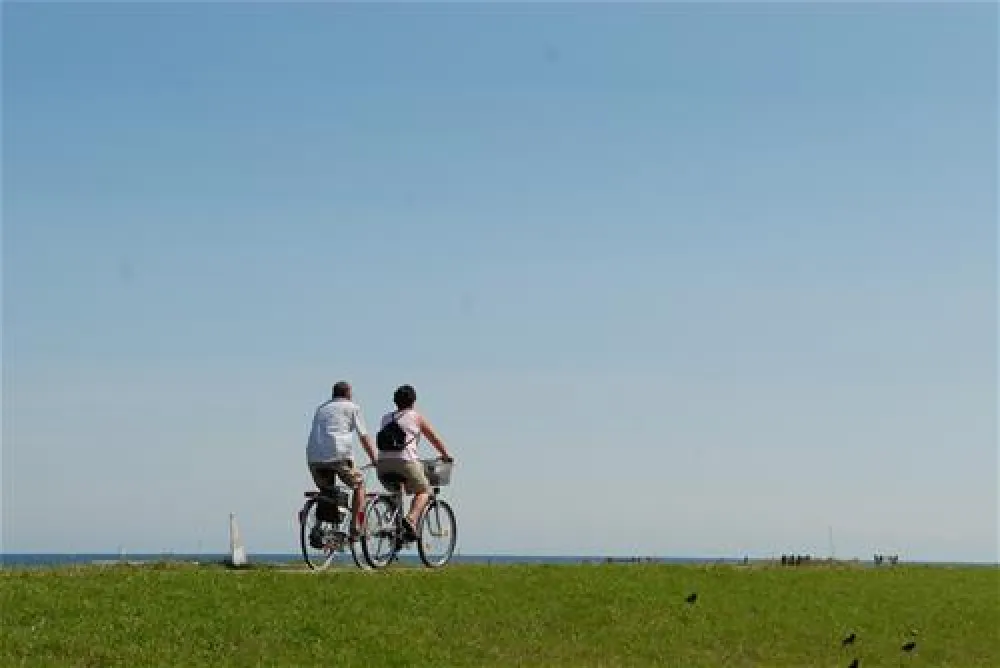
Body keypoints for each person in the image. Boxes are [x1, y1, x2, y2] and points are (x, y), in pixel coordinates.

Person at [375, 384, 454, 543]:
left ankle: (395, 527)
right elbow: (434, 439)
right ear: (414, 401)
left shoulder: (385, 418)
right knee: (424, 490)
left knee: (399, 491)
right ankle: (411, 520)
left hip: (382, 465)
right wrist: (446, 455)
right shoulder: (416, 417)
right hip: (406, 462)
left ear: (395, 401)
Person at [306, 380, 377, 540]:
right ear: (348, 394)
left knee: (327, 492)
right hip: (339, 456)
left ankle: (318, 528)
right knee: (359, 485)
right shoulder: (352, 407)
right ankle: (355, 527)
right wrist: (374, 458)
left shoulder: (321, 408)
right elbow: (364, 436)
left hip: (314, 458)